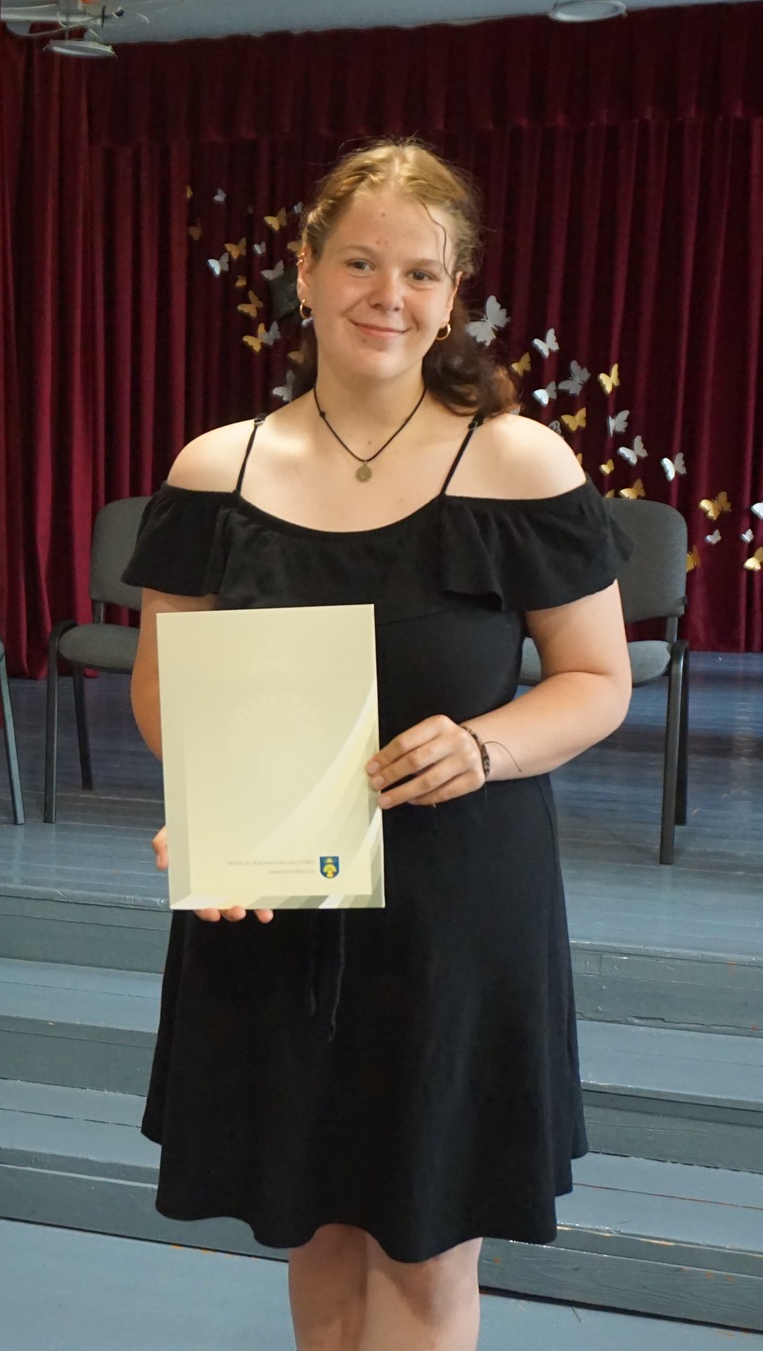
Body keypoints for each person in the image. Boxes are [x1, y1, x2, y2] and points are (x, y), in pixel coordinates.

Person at [125, 140, 633, 1351]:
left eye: (418, 272)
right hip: (279, 899)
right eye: (357, 262)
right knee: (312, 1231)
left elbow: (594, 681)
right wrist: (215, 814)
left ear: (452, 297)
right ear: (303, 272)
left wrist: (484, 747)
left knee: (423, 1247)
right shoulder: (215, 468)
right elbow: (162, 689)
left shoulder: (518, 459)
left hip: (455, 905)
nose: (385, 296)